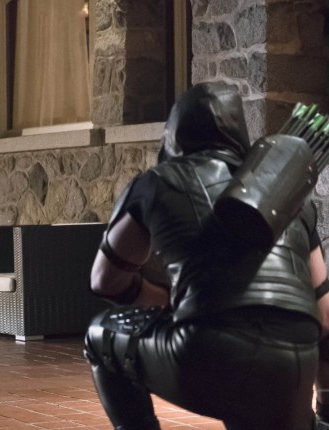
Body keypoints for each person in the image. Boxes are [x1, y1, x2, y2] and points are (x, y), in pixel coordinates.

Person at [84, 81, 329, 429]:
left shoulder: (155, 182)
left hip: (207, 356)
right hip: (292, 367)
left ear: (174, 135)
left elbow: (104, 280)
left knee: (102, 334)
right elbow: (325, 317)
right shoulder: (294, 199)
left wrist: (163, 299)